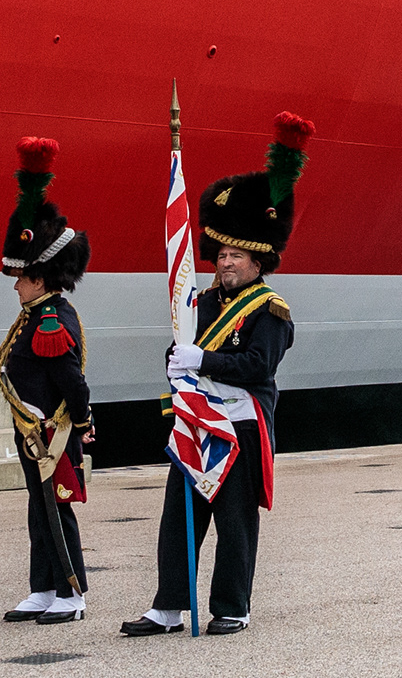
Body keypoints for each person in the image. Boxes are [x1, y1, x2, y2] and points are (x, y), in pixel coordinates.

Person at [131, 114, 311, 638]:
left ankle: (232, 606)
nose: (226, 261)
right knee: (178, 519)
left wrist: (201, 361)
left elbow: (258, 368)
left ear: (259, 261)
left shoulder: (270, 311)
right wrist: (178, 359)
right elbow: (182, 350)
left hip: (240, 428)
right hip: (196, 422)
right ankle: (168, 606)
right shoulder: (202, 302)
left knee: (234, 524)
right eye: (223, 253)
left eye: (237, 255)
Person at [0, 138, 94, 624]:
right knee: (39, 510)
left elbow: (70, 380)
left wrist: (82, 421)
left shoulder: (53, 318)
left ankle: (72, 591)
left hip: (51, 434)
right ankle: (43, 587)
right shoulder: (34, 314)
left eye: (21, 276)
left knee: (57, 508)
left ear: (40, 276)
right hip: (31, 430)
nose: (15, 283)